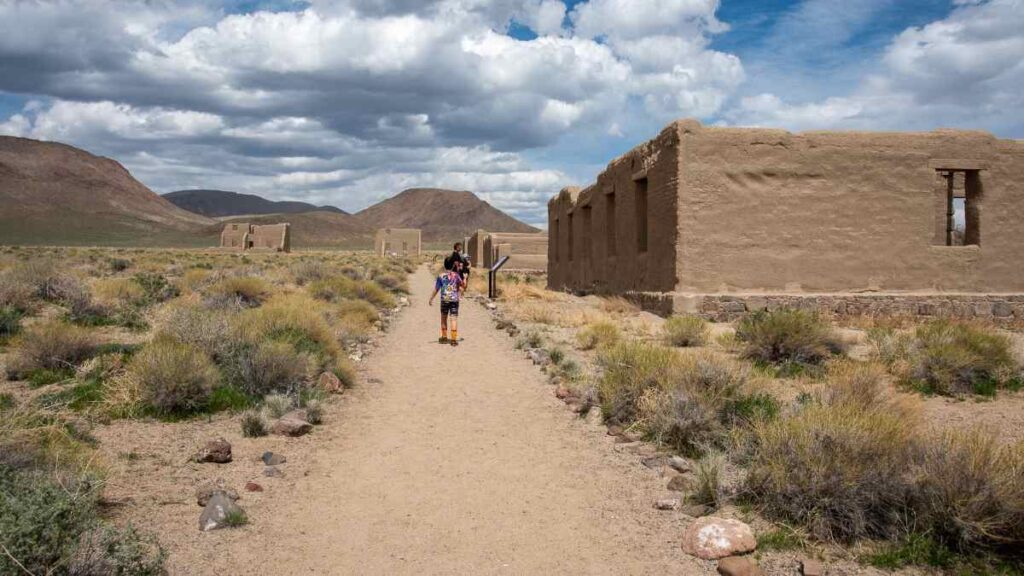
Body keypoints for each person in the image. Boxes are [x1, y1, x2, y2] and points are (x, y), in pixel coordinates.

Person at [429, 258, 466, 346]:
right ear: (453, 265)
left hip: (444, 300)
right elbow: (463, 286)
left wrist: (431, 298)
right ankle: (453, 340)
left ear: (445, 265)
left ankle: (444, 337)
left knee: (443, 318)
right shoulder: (456, 275)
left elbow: (436, 289)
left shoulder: (441, 276)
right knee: (453, 319)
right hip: (454, 300)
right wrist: (464, 278)